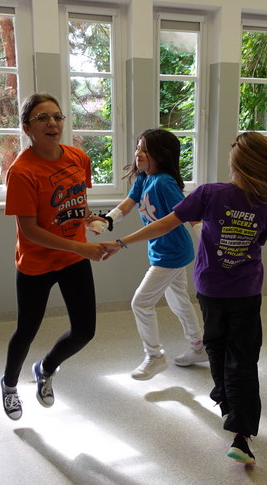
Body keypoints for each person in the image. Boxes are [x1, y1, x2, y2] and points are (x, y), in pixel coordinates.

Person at [102, 132, 267, 464]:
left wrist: (121, 243)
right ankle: (240, 431)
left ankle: (228, 406)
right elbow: (259, 241)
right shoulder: (263, 207)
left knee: (218, 348)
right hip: (246, 293)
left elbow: (166, 225)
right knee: (242, 359)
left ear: (235, 164)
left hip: (211, 292)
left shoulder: (209, 193)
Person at [0, 93, 106, 420]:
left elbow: (75, 200)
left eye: (57, 117)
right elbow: (30, 231)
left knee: (85, 331)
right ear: (27, 128)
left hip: (72, 260)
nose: (52, 123)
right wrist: (81, 247)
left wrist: (88, 218)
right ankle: (9, 385)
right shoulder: (22, 172)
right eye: (42, 118)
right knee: (26, 331)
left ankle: (45, 368)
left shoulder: (78, 158)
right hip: (37, 264)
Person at [90, 129, 205, 380]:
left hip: (172, 253)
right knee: (178, 301)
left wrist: (202, 234)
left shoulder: (164, 182)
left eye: (145, 149)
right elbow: (128, 204)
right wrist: (106, 221)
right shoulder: (144, 179)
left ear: (161, 155)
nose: (138, 153)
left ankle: (154, 355)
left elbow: (186, 211)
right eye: (138, 147)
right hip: (163, 250)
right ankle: (198, 346)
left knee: (141, 303)